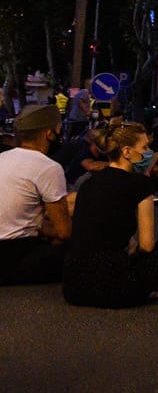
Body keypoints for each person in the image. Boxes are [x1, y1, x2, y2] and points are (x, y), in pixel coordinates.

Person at [61, 122, 158, 307]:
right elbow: (147, 246)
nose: (148, 152)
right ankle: (146, 285)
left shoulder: (88, 183)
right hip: (117, 288)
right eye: (145, 147)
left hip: (74, 288)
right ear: (126, 151)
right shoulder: (140, 183)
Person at [0, 104, 72, 285]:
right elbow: (65, 232)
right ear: (49, 134)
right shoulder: (48, 167)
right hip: (12, 255)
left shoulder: (3, 158)